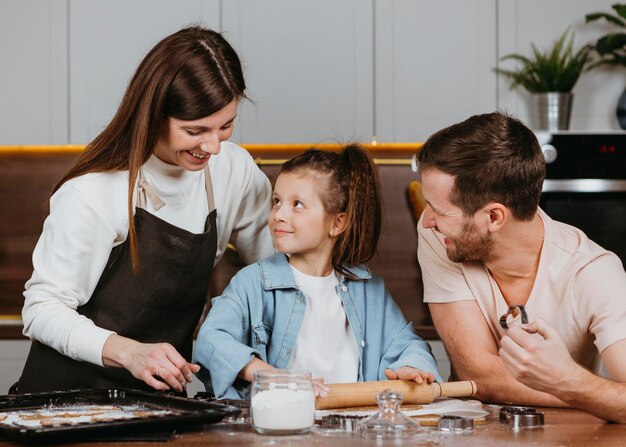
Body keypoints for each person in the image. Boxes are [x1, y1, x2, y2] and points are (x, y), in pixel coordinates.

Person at [13, 26, 274, 394]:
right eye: (195, 130)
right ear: (152, 115)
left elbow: (276, 273)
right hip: (65, 401)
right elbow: (41, 309)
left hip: (158, 404)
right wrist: (129, 352)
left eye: (226, 125)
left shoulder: (234, 171)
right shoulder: (94, 192)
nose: (213, 146)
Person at [415, 112, 626, 423]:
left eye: (439, 210)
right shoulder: (440, 236)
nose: (428, 219)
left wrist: (569, 381)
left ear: (495, 217)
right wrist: (580, 389)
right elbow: (478, 373)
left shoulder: (595, 272)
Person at [194, 144, 442, 399]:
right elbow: (210, 340)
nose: (279, 214)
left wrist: (410, 367)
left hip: (351, 430)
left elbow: (410, 344)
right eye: (277, 201)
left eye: (297, 204)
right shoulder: (252, 283)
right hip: (279, 429)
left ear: (338, 222)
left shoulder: (370, 290)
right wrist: (268, 374)